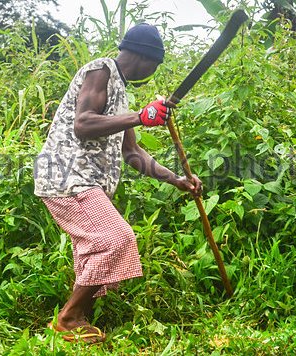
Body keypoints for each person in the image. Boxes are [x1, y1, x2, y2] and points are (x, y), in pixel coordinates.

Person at [33, 23, 202, 343]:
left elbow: (132, 152)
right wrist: (141, 116)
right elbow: (83, 124)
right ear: (145, 58)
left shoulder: (119, 91)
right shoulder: (101, 70)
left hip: (86, 182)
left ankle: (85, 317)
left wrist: (176, 179)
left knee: (96, 249)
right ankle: (68, 319)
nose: (154, 71)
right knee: (116, 238)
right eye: (156, 64)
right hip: (68, 176)